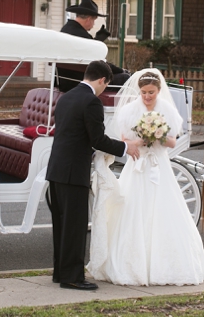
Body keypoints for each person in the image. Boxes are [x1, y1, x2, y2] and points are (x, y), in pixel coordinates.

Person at [86, 68, 204, 286]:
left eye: (151, 92)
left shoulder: (167, 110)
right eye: (143, 92)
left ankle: (165, 265)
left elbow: (172, 141)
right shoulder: (129, 111)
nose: (147, 96)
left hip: (159, 164)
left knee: (163, 209)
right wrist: (143, 139)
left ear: (158, 90)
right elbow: (125, 138)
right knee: (132, 209)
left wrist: (158, 135)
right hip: (138, 165)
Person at [46, 60, 142, 291]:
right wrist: (125, 147)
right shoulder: (91, 101)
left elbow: (73, 134)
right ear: (102, 80)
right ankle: (73, 277)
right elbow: (96, 139)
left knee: (61, 224)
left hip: (56, 168)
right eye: (105, 86)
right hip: (73, 171)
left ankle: (61, 272)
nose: (103, 90)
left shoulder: (65, 97)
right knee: (75, 226)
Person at [58, 0, 129, 90]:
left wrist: (97, 41)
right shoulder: (81, 35)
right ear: (88, 19)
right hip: (80, 82)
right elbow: (98, 63)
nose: (93, 25)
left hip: (65, 80)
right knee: (126, 78)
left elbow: (86, 52)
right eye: (94, 21)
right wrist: (121, 70)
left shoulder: (66, 29)